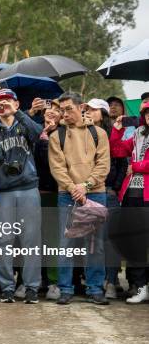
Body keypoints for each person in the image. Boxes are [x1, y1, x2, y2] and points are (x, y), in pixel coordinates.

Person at [48, 92, 111, 305]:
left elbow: (103, 164)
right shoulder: (57, 136)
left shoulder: (98, 133)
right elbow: (57, 167)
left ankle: (95, 289)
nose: (64, 114)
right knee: (67, 244)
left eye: (69, 109)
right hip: (67, 195)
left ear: (80, 107)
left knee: (96, 244)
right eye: (62, 110)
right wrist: (72, 187)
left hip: (95, 193)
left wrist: (86, 185)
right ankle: (65, 289)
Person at [0, 89, 43, 304]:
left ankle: (31, 287)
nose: (4, 105)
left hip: (28, 187)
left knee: (31, 240)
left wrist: (19, 114)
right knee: (3, 240)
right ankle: (7, 288)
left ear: (17, 104)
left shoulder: (24, 122)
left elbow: (38, 135)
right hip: (4, 191)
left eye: (8, 101)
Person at [85, 98, 128, 299]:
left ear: (101, 113)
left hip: (109, 191)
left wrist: (116, 188)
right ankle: (92, 282)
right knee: (92, 239)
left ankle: (110, 281)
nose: (89, 112)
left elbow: (121, 163)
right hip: (87, 191)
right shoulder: (82, 132)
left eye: (93, 110)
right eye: (88, 109)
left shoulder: (113, 134)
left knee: (109, 240)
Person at [110, 97, 149, 304]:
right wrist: (116, 130)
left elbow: (139, 164)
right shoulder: (138, 134)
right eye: (147, 114)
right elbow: (116, 151)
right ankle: (141, 287)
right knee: (135, 242)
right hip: (131, 194)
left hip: (147, 196)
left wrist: (138, 166)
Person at [34, 99, 63, 300]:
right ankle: (31, 281)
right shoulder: (34, 131)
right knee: (31, 239)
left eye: (57, 110)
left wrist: (46, 138)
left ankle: (53, 281)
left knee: (52, 239)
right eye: (49, 109)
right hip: (32, 194)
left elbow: (51, 163)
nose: (52, 112)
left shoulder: (63, 135)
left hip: (54, 193)